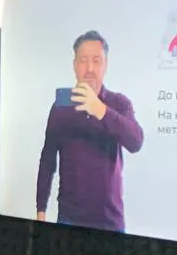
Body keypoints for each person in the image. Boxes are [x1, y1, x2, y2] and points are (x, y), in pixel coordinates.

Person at [35, 30, 143, 232]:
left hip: (110, 221)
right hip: (69, 218)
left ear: (106, 65)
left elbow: (136, 142)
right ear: (74, 65)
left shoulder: (119, 103)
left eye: (97, 60)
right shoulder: (61, 107)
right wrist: (41, 209)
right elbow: (48, 159)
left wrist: (101, 110)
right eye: (83, 60)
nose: (90, 68)